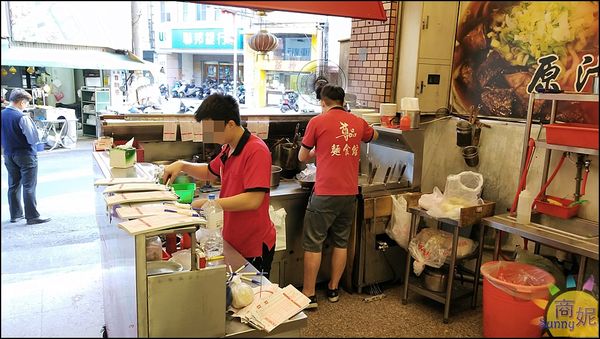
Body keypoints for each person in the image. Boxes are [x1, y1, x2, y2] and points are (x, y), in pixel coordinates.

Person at [162, 93, 276, 277]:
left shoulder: (256, 150)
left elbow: (254, 200)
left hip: (254, 244)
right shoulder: (228, 148)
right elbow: (209, 171)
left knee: (252, 297)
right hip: (233, 238)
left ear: (230, 124)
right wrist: (182, 165)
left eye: (212, 130)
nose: (209, 136)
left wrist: (211, 203)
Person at [298, 84, 378, 309]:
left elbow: (303, 156)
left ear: (323, 102)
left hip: (324, 193)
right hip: (349, 193)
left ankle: (310, 294)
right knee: (341, 242)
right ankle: (333, 289)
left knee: (314, 243)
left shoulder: (317, 121)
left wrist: (316, 151)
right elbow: (374, 134)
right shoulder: (357, 122)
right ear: (342, 101)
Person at [1, 88, 51, 225]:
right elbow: (33, 139)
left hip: (8, 154)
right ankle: (32, 216)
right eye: (26, 103)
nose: (26, 106)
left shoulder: (2, 114)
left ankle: (15, 215)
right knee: (29, 186)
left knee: (13, 185)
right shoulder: (22, 117)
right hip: (25, 155)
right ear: (21, 102)